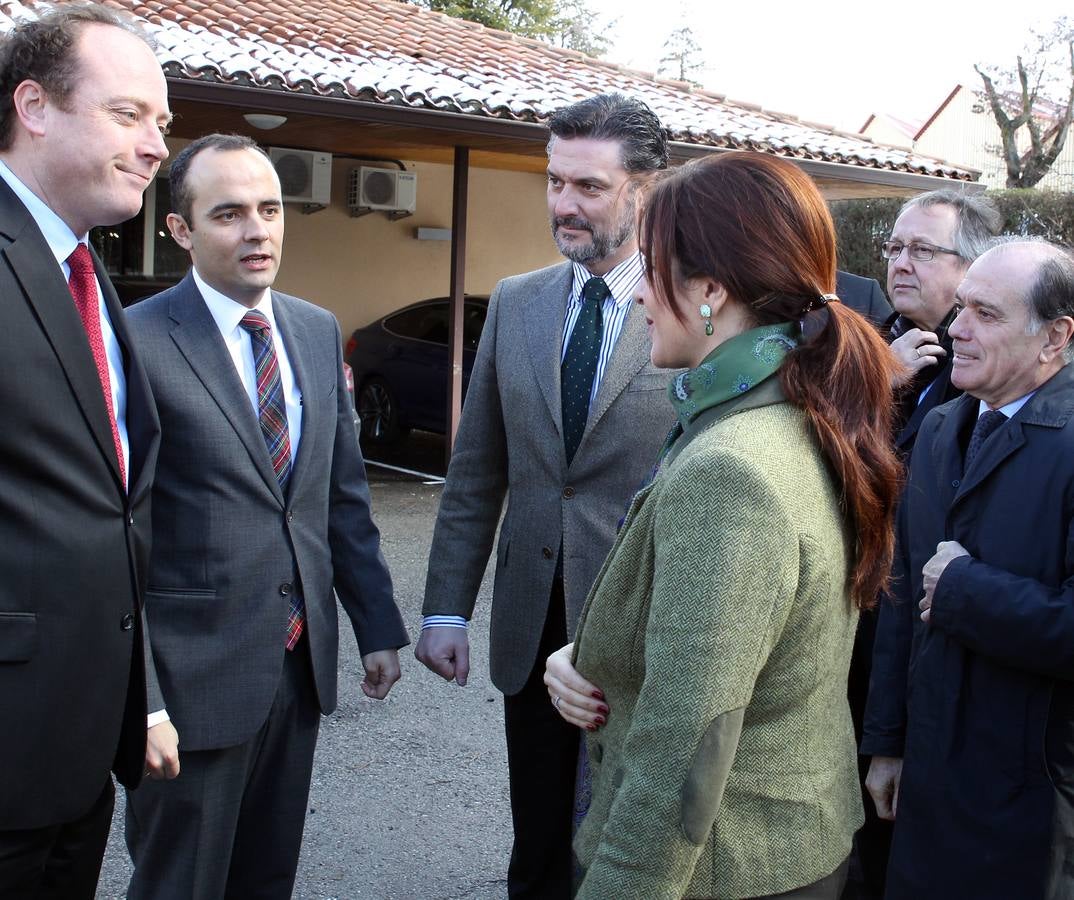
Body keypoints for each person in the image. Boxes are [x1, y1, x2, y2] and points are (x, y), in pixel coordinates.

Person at [544, 151, 903, 899]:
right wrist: (599, 654)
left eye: (650, 268)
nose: (639, 294)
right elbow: (753, 641)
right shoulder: (792, 413)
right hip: (783, 847)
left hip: (724, 870)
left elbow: (687, 745)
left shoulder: (731, 468)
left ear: (709, 291)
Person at [123, 134, 409, 899]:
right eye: (228, 214)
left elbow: (338, 496)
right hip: (188, 683)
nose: (257, 230)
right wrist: (141, 697)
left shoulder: (314, 330)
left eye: (270, 209)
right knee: (179, 885)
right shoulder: (136, 342)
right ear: (179, 230)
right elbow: (118, 537)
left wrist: (376, 625)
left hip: (296, 667)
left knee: (266, 879)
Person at [415, 92, 675, 897]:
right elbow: (476, 471)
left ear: (646, 190)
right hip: (533, 622)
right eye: (554, 181)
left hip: (643, 627)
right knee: (536, 845)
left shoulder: (693, 308)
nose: (564, 203)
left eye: (589, 187)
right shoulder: (519, 299)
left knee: (621, 841)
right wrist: (445, 609)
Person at [0, 6, 171, 897]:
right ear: (34, 105)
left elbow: (110, 507)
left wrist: (135, 696)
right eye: (129, 114)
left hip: (76, 752)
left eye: (162, 125)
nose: (155, 147)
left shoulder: (88, 270)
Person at [862, 240, 1074, 899]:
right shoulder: (941, 426)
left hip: (1030, 806)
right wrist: (888, 742)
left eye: (985, 313)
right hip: (927, 781)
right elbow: (900, 597)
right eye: (959, 309)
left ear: (1055, 337)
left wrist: (964, 592)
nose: (956, 330)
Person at [848, 189, 1001, 898]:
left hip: (917, 629)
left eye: (922, 250)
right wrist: (875, 372)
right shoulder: (865, 339)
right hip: (851, 630)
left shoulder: (987, 376)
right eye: (894, 247)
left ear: (971, 267)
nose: (900, 263)